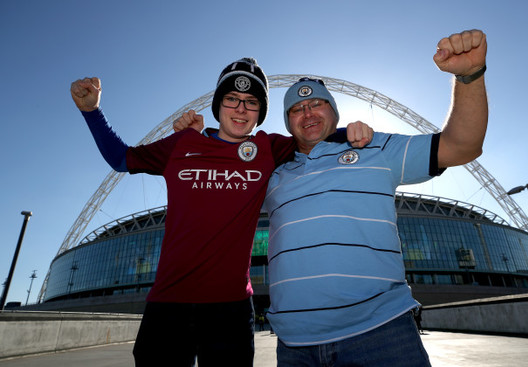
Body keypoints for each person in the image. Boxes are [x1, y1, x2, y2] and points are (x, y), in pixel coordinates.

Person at [71, 58, 372, 367]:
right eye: (232, 99)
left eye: (251, 102)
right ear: (218, 106)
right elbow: (122, 159)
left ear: (260, 113)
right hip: (168, 306)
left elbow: (312, 137)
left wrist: (351, 131)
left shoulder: (268, 148)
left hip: (231, 309)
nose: (241, 109)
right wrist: (91, 111)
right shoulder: (182, 143)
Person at [264, 29, 488, 366]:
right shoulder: (273, 177)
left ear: (334, 112)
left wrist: (468, 76)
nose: (308, 113)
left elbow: (462, 146)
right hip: (295, 346)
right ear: (287, 122)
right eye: (297, 108)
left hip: (382, 336)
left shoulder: (376, 150)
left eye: (317, 104)